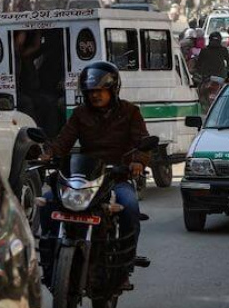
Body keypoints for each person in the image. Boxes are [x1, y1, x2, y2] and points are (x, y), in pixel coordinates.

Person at [40, 62, 151, 275]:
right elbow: (64, 140)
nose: (95, 96)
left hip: (115, 178)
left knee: (129, 207)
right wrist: (49, 154)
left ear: (112, 89)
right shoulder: (80, 114)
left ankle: (124, 265)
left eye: (100, 91)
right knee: (48, 202)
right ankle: (50, 258)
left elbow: (142, 142)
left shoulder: (130, 112)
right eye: (91, 92)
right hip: (86, 179)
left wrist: (137, 162)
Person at [194, 33, 229, 108]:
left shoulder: (204, 50)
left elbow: (198, 66)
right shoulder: (224, 50)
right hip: (220, 78)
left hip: (206, 78)